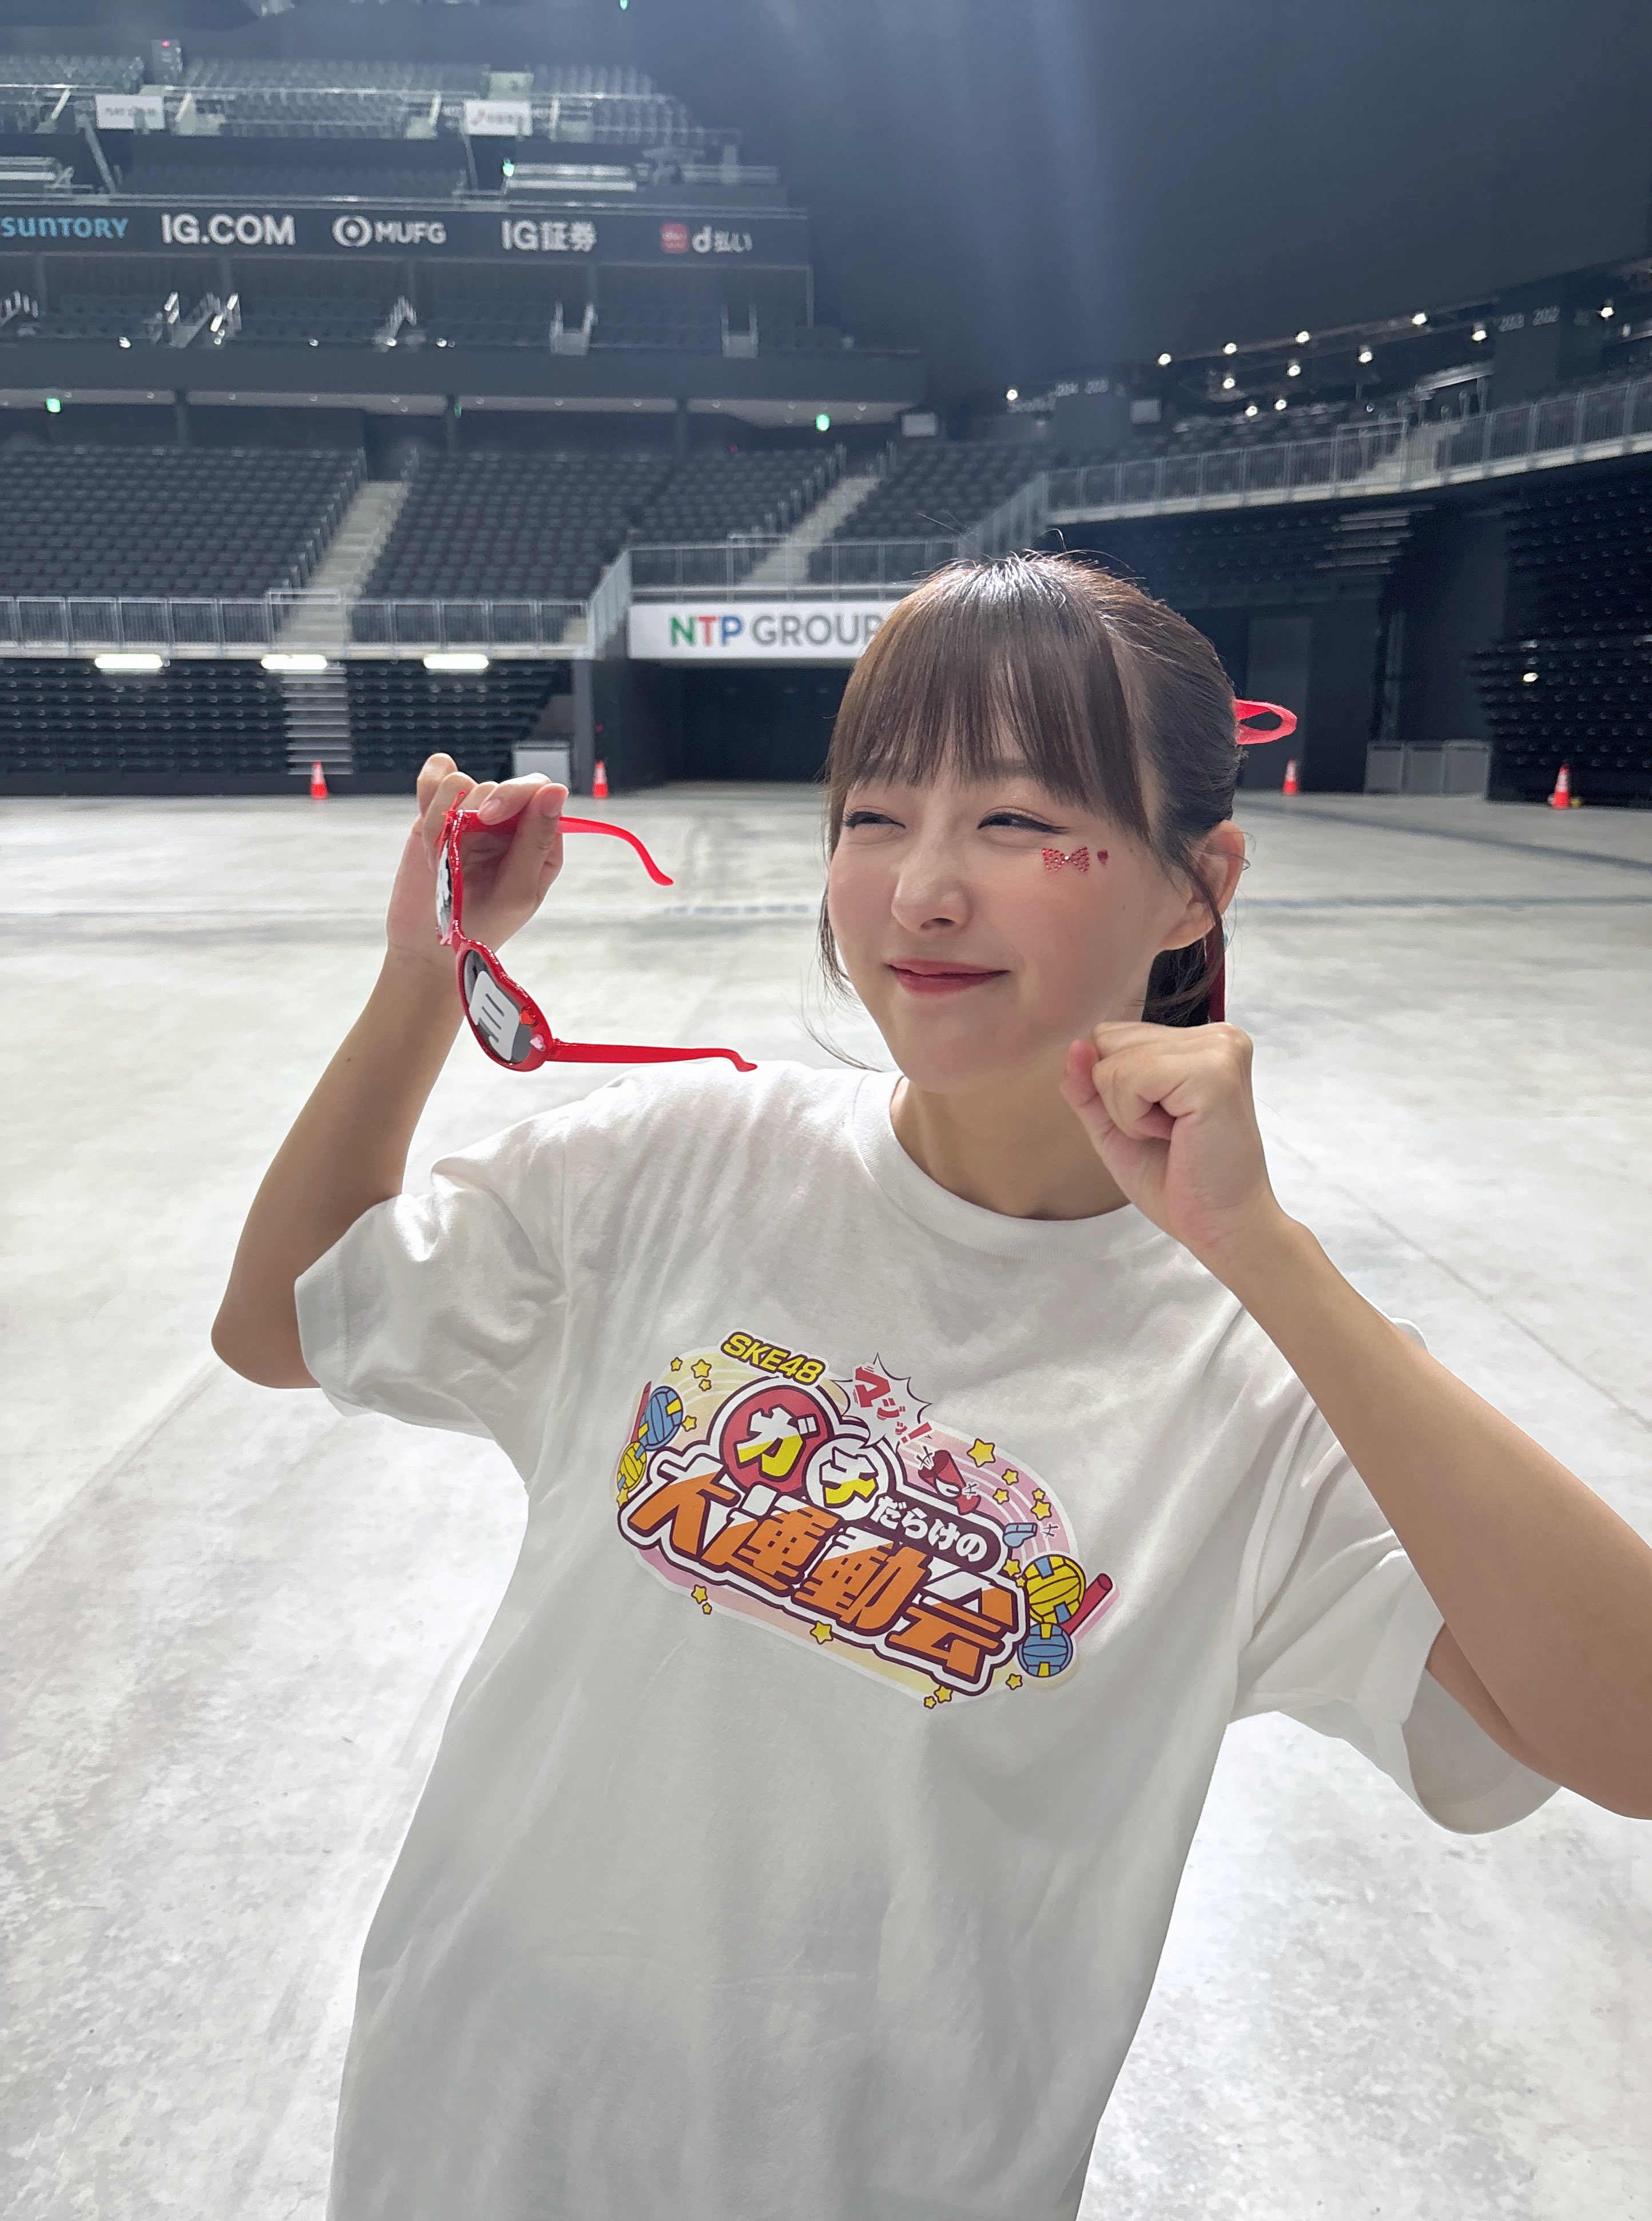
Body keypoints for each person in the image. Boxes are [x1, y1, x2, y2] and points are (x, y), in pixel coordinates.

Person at [213, 553, 1652, 2221]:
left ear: (1198, 884)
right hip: (470, 2139)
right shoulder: (675, 1167)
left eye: (1020, 820)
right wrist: (423, 969)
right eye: (877, 816)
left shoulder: (1258, 1393)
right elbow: (284, 1322)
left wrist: (1273, 1259)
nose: (922, 892)